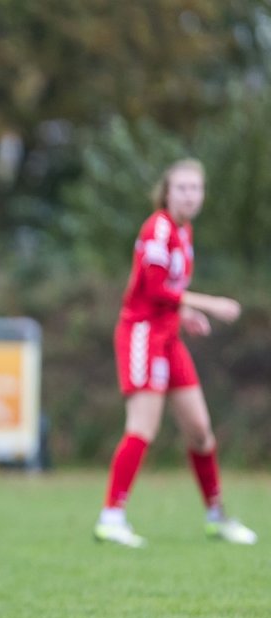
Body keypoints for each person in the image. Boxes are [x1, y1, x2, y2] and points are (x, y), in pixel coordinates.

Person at [94, 158, 257, 548]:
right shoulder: (158, 228)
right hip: (143, 336)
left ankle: (216, 517)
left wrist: (184, 314)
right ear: (167, 192)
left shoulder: (185, 232)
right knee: (142, 428)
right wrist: (210, 304)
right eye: (182, 187)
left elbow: (167, 291)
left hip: (168, 336)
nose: (189, 195)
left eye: (196, 188)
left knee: (200, 431)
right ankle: (111, 517)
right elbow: (151, 290)